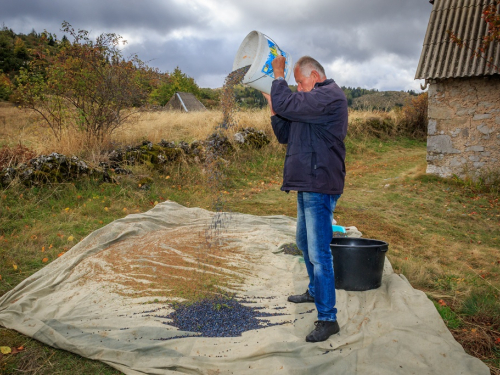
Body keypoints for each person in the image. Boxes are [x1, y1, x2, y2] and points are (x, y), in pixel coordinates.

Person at [262, 55, 348, 342]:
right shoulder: (310, 105)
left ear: (315, 76)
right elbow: (285, 134)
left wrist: (277, 76)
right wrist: (273, 106)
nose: (298, 87)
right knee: (303, 243)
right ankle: (314, 290)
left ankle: (328, 318)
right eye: (295, 83)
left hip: (320, 182)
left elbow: (290, 102)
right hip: (306, 182)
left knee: (320, 253)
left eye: (299, 82)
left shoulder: (329, 96)